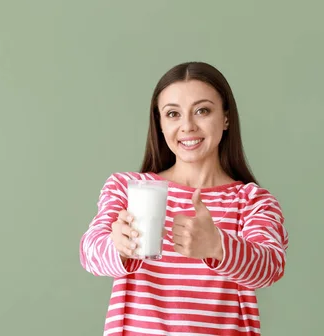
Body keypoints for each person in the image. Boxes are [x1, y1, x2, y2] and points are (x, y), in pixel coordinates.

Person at [79, 62, 289, 336]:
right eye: (173, 114)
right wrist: (117, 245)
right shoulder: (128, 188)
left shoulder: (252, 201)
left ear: (226, 118)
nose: (187, 126)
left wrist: (217, 246)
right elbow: (90, 253)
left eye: (202, 111)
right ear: (161, 124)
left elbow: (269, 267)